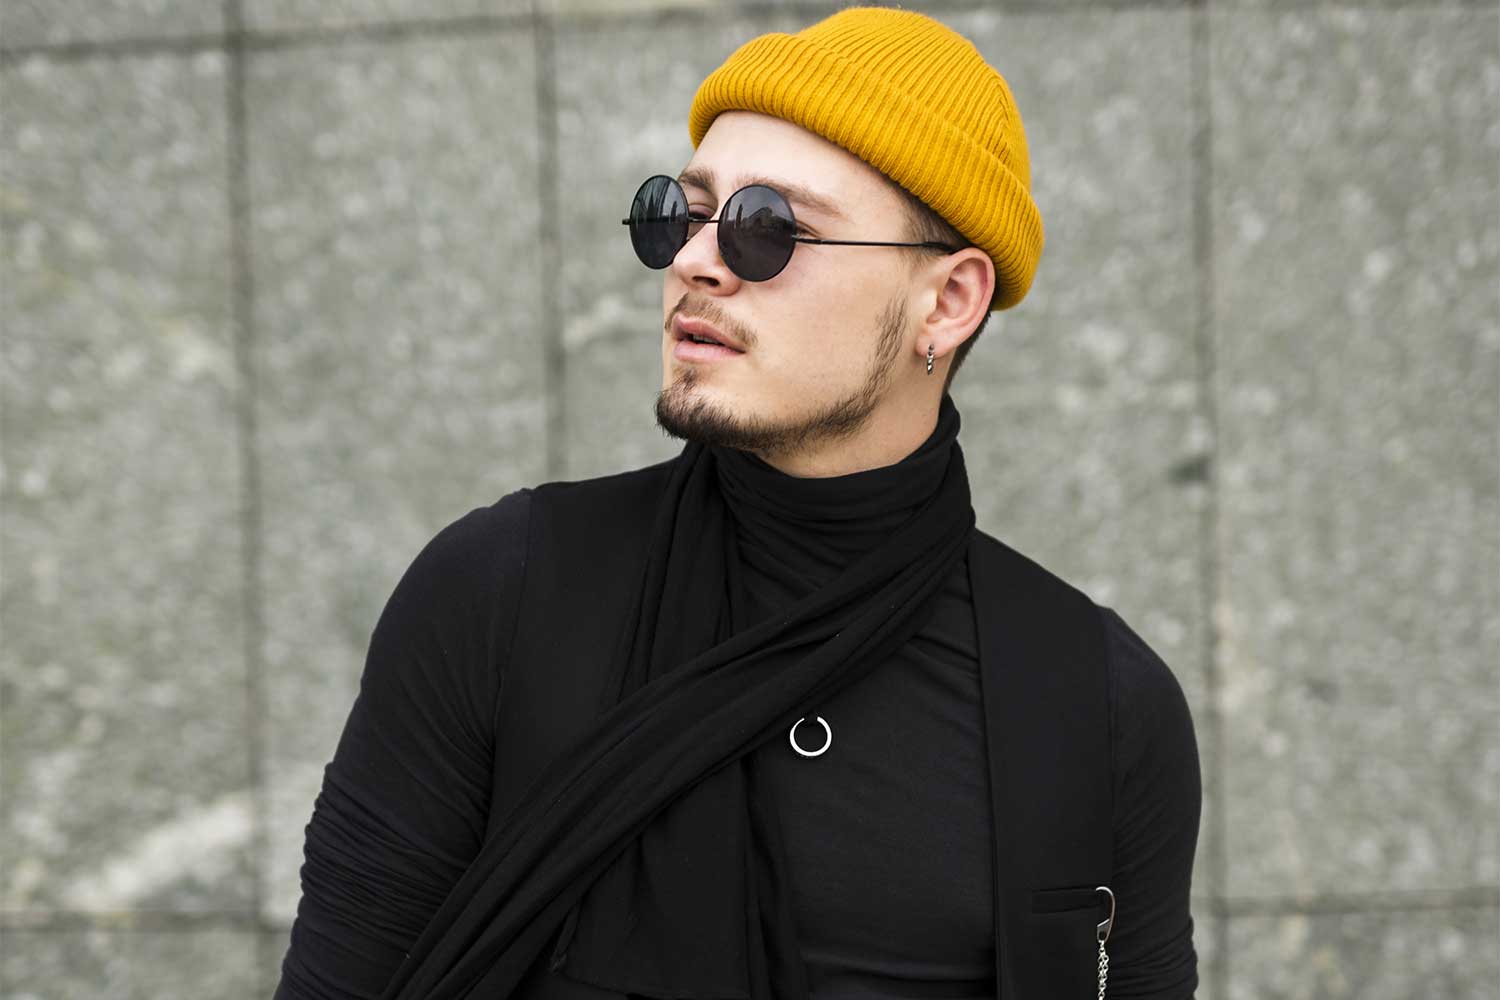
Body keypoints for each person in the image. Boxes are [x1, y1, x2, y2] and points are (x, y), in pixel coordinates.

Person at [274, 7, 1202, 999]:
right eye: (680, 212)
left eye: (768, 228)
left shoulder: (1095, 700)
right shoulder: (500, 595)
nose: (694, 261)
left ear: (948, 302)